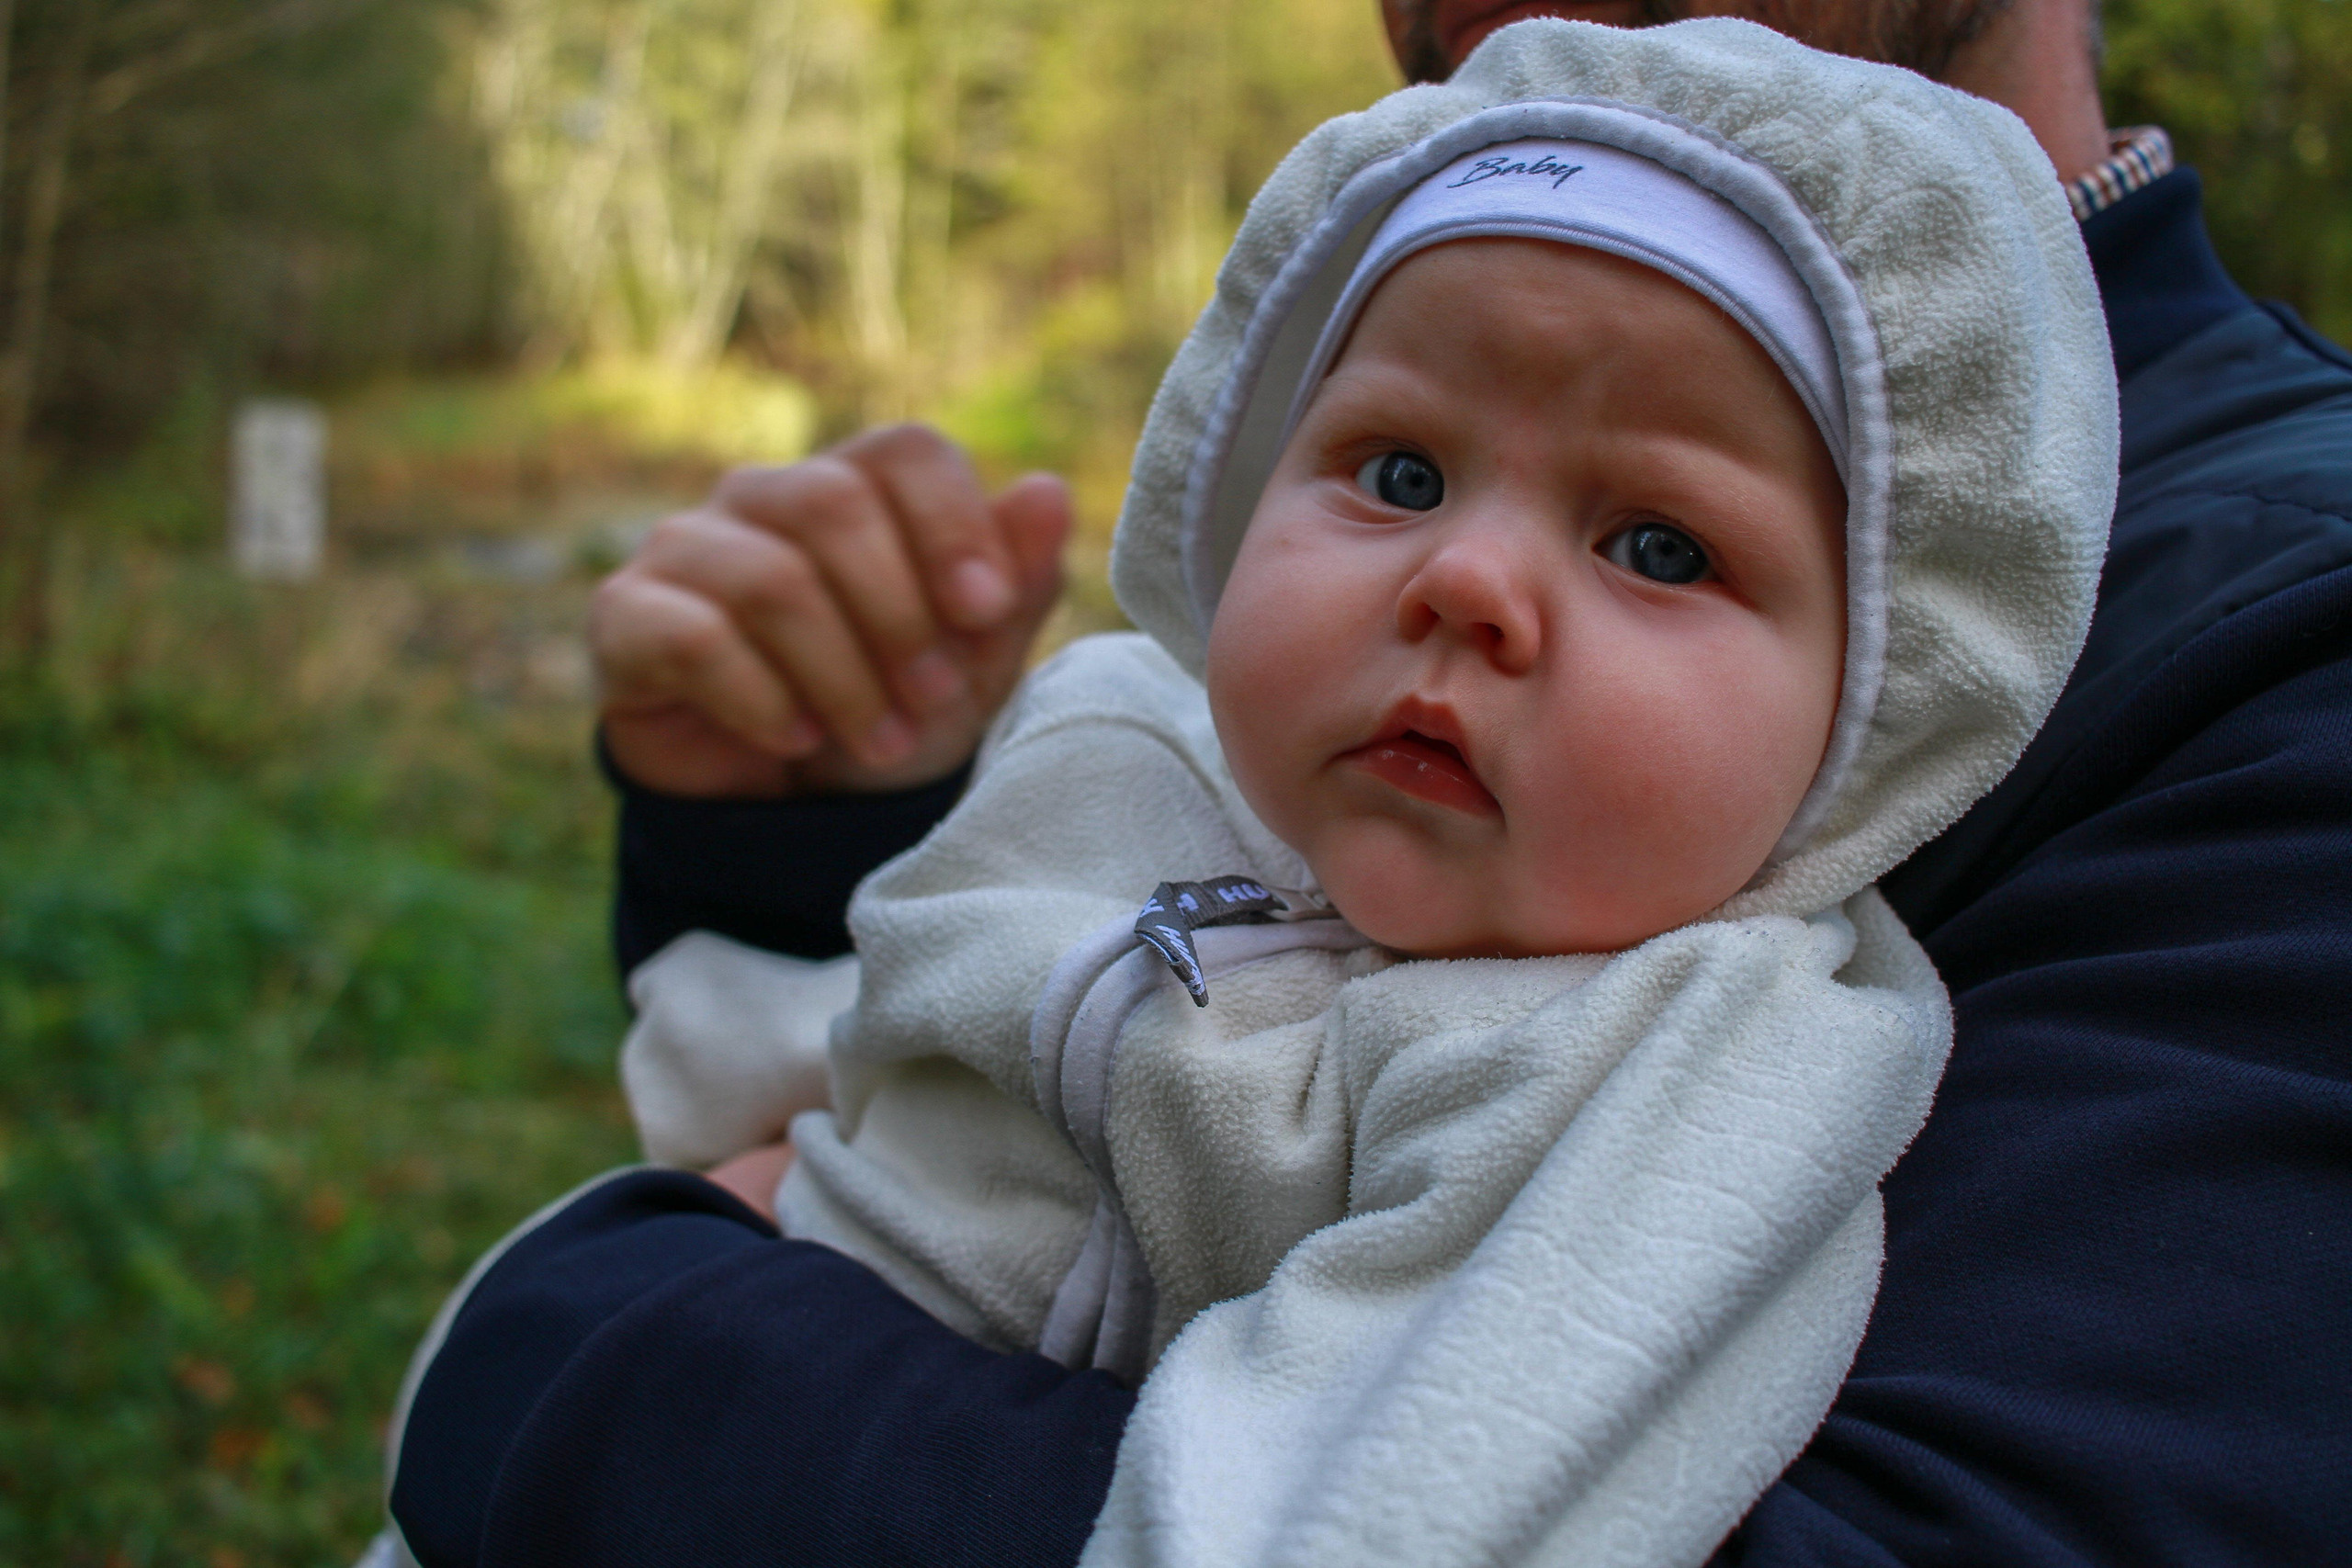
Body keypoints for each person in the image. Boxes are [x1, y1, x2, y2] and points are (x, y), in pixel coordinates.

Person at [379, 1, 2352, 1563]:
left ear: (1875, 720)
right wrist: (798, 839)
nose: (1463, 578)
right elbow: (877, 1035)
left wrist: (599, 1357)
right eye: (1397, 471)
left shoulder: (1700, 1038)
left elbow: (1416, 1494)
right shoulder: (1135, 733)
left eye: (1657, 543)